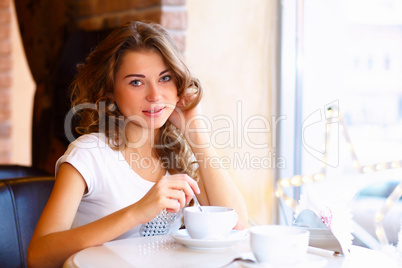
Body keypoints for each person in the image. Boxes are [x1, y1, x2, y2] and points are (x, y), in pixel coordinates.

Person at [27, 21, 248, 268]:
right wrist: (138, 212)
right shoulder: (88, 155)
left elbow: (237, 229)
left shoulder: (177, 157)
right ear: (110, 91)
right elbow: (38, 256)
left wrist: (196, 133)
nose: (155, 95)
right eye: (136, 82)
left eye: (165, 78)